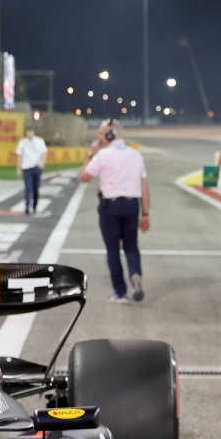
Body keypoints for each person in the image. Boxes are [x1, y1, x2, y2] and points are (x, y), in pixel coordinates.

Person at [78, 119, 150, 303]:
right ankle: (135, 275)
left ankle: (120, 292)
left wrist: (90, 155)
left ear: (107, 136)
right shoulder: (136, 155)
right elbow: (144, 187)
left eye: (101, 135)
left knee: (113, 251)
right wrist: (146, 214)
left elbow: (83, 177)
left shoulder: (103, 155)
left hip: (110, 206)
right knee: (131, 245)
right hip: (132, 205)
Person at [16, 127, 48, 215]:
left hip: (37, 167)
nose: (29, 133)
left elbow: (44, 152)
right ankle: (27, 206)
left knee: (36, 189)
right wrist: (18, 168)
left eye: (30, 132)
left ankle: (35, 206)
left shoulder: (39, 141)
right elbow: (19, 156)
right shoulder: (22, 143)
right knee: (28, 187)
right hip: (27, 168)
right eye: (27, 132)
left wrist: (42, 163)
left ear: (33, 132)